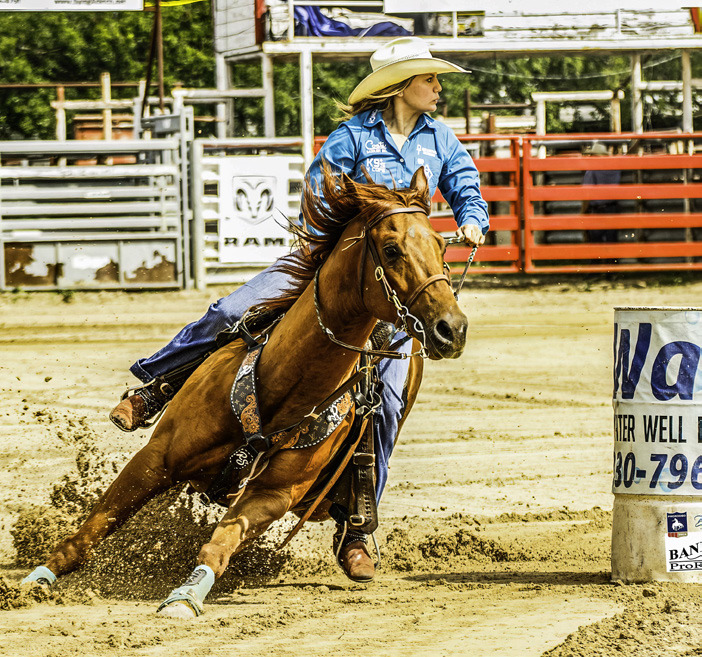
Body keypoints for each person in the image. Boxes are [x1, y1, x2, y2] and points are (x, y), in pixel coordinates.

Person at [109, 36, 489, 581]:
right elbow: (318, 196)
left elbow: (465, 183)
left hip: (393, 289)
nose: (437, 86)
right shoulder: (352, 137)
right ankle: (155, 387)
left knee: (385, 396)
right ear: (400, 86)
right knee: (230, 312)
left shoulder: (441, 138)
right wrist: (326, 260)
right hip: (329, 270)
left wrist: (471, 213)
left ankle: (357, 526)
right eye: (429, 78)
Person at [582, 142, 621, 246]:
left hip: (597, 209)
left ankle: (597, 261)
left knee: (596, 241)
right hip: (613, 208)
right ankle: (612, 261)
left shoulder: (591, 171)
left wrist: (583, 212)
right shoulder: (615, 169)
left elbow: (587, 193)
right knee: (612, 240)